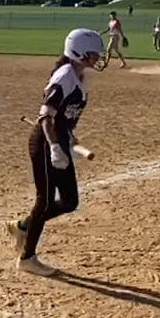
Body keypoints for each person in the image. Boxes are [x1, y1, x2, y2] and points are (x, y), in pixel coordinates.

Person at [11, 29, 103, 277]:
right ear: (79, 52)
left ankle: (23, 226)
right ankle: (27, 258)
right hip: (46, 142)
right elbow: (45, 117)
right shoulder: (64, 77)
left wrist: (68, 135)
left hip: (59, 139)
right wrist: (54, 146)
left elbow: (64, 116)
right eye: (94, 53)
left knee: (70, 201)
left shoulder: (77, 75)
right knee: (45, 200)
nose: (98, 57)